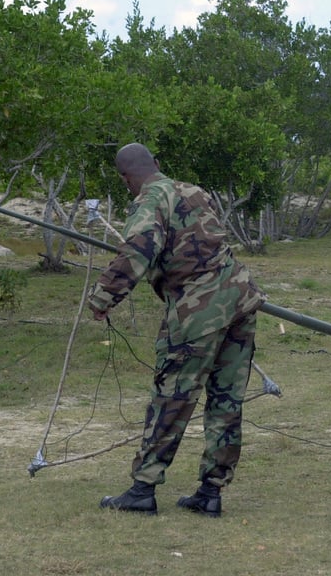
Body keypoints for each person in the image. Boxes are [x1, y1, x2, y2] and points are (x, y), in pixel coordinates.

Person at [88, 143, 265, 515]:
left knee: (171, 399)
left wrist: (103, 297)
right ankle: (211, 492)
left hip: (197, 313)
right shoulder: (194, 191)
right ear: (157, 163)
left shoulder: (149, 202)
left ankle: (142, 489)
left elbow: (138, 250)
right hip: (241, 302)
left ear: (125, 179)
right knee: (226, 401)